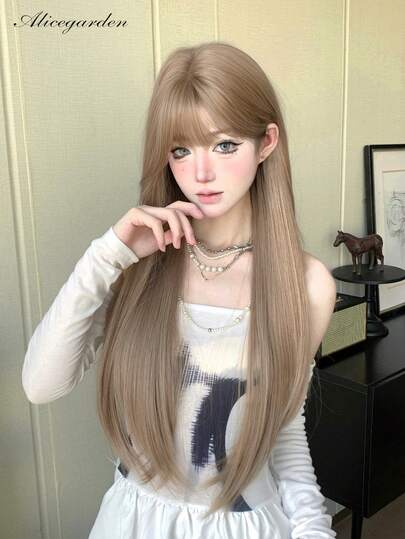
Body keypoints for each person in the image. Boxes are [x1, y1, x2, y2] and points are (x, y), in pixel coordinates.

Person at [22, 41, 337, 538]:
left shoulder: (305, 284)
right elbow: (41, 386)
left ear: (267, 143)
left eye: (225, 145)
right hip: (132, 522)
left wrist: (313, 529)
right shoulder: (134, 265)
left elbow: (283, 432)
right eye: (181, 150)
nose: (201, 173)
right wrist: (108, 254)